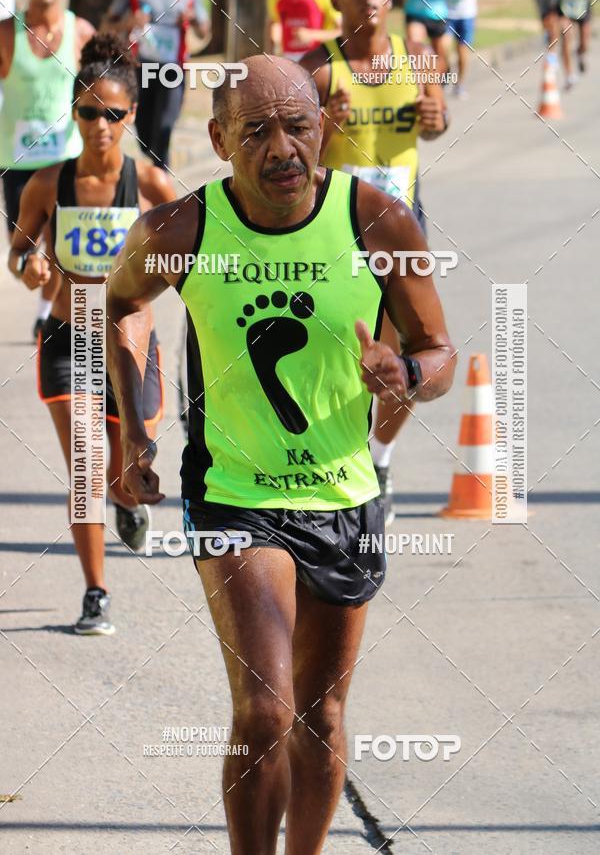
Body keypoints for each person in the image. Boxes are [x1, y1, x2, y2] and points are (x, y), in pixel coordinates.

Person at [105, 53, 455, 852]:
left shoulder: (379, 221)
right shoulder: (179, 230)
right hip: (234, 490)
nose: (282, 149)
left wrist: (404, 376)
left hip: (345, 494)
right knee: (266, 705)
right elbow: (120, 302)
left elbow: (440, 351)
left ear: (324, 126)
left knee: (320, 711)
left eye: (298, 125)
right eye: (255, 130)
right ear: (219, 138)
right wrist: (133, 426)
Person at [8, 33, 176, 635]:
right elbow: (19, 255)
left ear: (131, 115)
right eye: (86, 112)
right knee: (84, 468)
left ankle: (128, 502)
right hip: (69, 339)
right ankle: (96, 593)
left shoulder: (152, 185)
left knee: (124, 471)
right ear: (73, 113)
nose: (99, 125)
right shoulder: (47, 183)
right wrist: (30, 266)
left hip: (130, 345)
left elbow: (191, 261)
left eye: (112, 114)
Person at [301, 0, 449, 523]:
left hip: (401, 227)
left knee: (408, 354)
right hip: (333, 230)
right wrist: (324, 129)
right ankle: (318, 464)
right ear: (335, 2)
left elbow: (435, 124)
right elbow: (288, 158)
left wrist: (435, 118)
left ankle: (379, 460)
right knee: (332, 354)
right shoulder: (317, 70)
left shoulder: (421, 61)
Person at [0, 0, 94, 340]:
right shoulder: (7, 34)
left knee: (63, 246)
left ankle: (46, 317)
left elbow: (98, 89)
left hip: (65, 156)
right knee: (20, 249)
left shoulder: (81, 32)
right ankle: (41, 295)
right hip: (17, 158)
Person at [106, 0, 210, 168]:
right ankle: (155, 164)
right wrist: (129, 23)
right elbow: (108, 24)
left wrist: (192, 20)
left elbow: (204, 31)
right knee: (145, 135)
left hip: (174, 69)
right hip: (142, 68)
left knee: (164, 128)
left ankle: (160, 185)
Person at [556, 0, 600, 88]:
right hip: (566, 0)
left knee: (584, 42)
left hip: (583, 2)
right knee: (566, 34)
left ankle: (581, 54)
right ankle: (570, 75)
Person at [442, 0, 479, 97]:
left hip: (466, 12)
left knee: (462, 51)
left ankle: (460, 83)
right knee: (443, 47)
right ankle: (446, 74)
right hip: (446, 11)